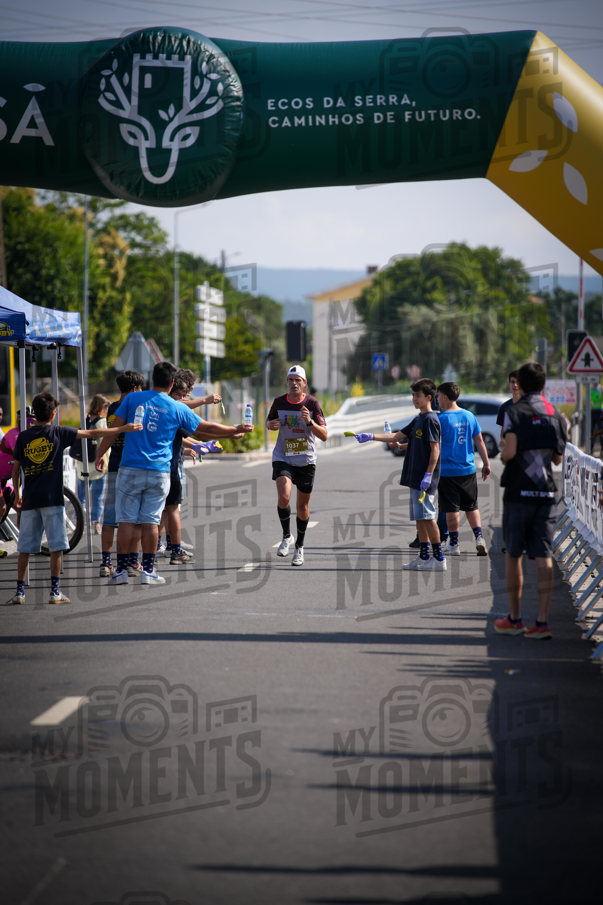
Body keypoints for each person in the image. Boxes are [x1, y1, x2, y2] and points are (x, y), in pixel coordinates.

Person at [96, 360, 252, 586]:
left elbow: (114, 430)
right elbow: (205, 428)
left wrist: (101, 453)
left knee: (127, 521)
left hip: (129, 469)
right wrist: (235, 430)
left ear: (151, 379)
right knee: (151, 521)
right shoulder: (177, 407)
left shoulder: (131, 399)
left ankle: (120, 571)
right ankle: (148, 571)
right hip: (159, 472)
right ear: (171, 383)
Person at [10, 391, 141, 605]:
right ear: (54, 414)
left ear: (33, 414)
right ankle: (54, 592)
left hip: (31, 500)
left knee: (24, 548)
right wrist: (123, 428)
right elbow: (91, 433)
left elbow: (16, 470)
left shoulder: (24, 436)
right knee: (56, 548)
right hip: (53, 499)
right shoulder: (59, 432)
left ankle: (19, 593)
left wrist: (17, 493)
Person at [494, 362, 567, 640]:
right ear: (544, 385)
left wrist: (503, 455)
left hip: (519, 492)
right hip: (547, 493)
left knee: (514, 555)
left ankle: (514, 619)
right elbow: (558, 458)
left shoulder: (515, 411)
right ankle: (543, 622)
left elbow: (509, 451)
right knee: (544, 556)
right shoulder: (555, 415)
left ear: (520, 385)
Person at [355, 378, 445, 572]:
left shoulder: (430, 419)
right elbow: (396, 437)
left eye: (418, 395)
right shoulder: (418, 419)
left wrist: (428, 475)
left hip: (424, 479)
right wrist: (371, 436)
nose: (414, 398)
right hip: (415, 478)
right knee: (419, 518)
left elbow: (435, 450)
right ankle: (423, 556)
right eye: (413, 395)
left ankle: (439, 558)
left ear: (429, 397)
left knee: (428, 517)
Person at [266, 365, 328, 567]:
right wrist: (270, 425)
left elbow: (324, 435)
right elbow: (269, 422)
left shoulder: (312, 403)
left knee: (302, 506)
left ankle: (299, 547)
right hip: (283, 456)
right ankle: (286, 536)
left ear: (304, 384)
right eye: (290, 380)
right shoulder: (279, 401)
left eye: (297, 380)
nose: (293, 383)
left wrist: (309, 422)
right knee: (284, 497)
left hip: (305, 459)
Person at [99, 370, 147, 578]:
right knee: (134, 519)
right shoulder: (138, 408)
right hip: (133, 467)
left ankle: (106, 563)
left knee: (110, 518)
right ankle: (131, 563)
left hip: (114, 466)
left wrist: (100, 454)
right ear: (136, 388)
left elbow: (111, 435)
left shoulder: (113, 408)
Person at [436, 382, 491, 556]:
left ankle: (454, 544)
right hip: (468, 470)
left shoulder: (441, 419)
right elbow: (480, 441)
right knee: (471, 506)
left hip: (447, 471)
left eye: (438, 396)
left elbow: (433, 445)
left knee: (451, 509)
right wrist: (486, 463)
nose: (437, 399)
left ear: (445, 397)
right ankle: (479, 538)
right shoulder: (469, 416)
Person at [74, 394, 110, 536]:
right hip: (98, 466)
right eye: (106, 407)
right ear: (102, 407)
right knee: (97, 497)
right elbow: (106, 445)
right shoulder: (103, 423)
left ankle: (79, 524)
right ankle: (96, 524)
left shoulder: (85, 421)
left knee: (80, 498)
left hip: (82, 466)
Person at [497, 370, 521, 445]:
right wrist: (503, 440)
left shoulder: (529, 405)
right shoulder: (505, 407)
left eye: (517, 382)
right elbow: (503, 430)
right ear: (509, 384)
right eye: (512, 382)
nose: (515, 385)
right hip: (510, 450)